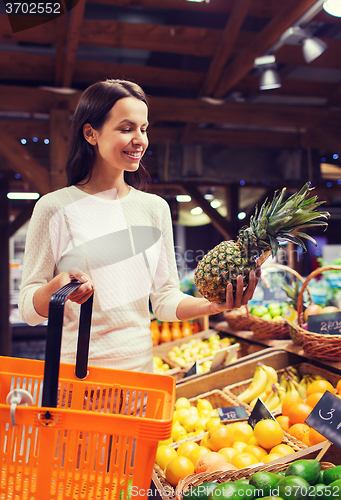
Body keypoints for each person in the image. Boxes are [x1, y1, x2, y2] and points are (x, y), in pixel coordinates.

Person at [18, 79, 259, 374]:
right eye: (126, 128)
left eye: (143, 129)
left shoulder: (154, 208)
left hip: (142, 376)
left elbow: (164, 300)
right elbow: (29, 311)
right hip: (78, 378)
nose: (140, 140)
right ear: (90, 133)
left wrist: (214, 307)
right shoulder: (54, 208)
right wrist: (58, 288)